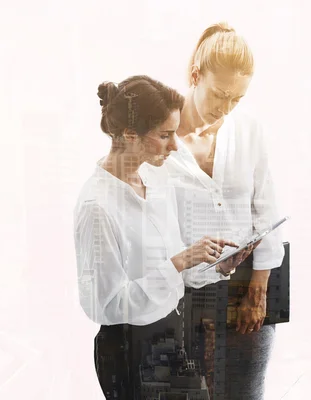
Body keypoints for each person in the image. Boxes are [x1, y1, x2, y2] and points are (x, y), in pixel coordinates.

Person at [73, 75, 249, 399]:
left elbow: (173, 266)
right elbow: (106, 306)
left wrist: (217, 266)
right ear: (130, 136)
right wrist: (179, 261)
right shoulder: (96, 207)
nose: (175, 146)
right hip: (129, 354)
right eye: (165, 135)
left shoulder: (154, 177)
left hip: (172, 337)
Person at [162, 22, 285, 399]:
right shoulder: (159, 139)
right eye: (219, 94)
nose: (226, 107)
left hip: (245, 292)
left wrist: (257, 292)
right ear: (195, 75)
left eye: (237, 98)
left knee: (245, 393)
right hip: (178, 298)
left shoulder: (249, 131)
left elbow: (266, 210)